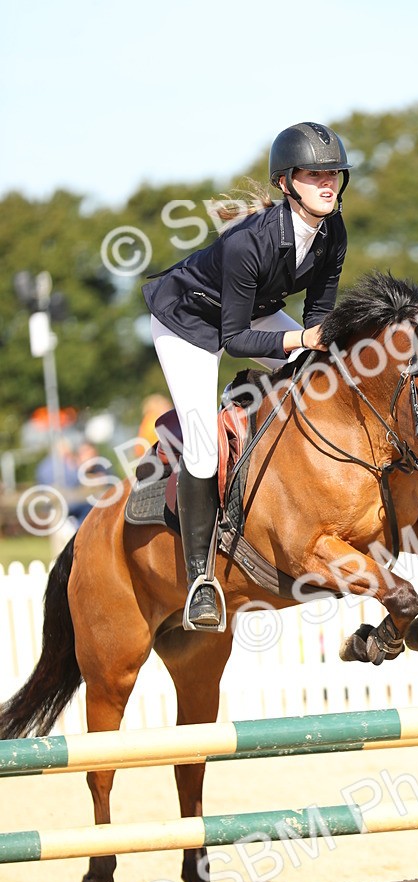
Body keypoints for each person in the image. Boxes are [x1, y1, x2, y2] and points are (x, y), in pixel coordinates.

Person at [141, 121, 352, 631]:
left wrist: (320, 347)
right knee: (201, 450)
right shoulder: (248, 242)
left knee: (328, 373)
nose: (327, 182)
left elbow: (317, 316)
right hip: (188, 322)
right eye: (313, 174)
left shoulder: (333, 232)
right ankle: (200, 582)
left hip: (251, 312)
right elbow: (234, 340)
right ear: (286, 182)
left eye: (333, 173)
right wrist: (302, 342)